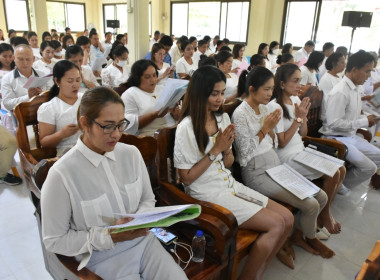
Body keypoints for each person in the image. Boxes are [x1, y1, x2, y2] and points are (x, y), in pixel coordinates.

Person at [40, 86, 187, 279]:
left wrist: (138, 220)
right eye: (108, 126)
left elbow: (147, 199)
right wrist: (109, 236)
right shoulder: (62, 174)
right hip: (101, 258)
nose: (117, 134)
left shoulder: (131, 154)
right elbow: (55, 240)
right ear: (85, 123)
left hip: (143, 243)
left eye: (121, 124)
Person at [174, 66, 293, 279]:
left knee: (288, 218)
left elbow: (228, 164)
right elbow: (187, 178)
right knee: (276, 224)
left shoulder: (222, 119)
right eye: (214, 94)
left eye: (222, 93)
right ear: (200, 93)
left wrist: (227, 150)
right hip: (205, 193)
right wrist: (216, 150)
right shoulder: (186, 128)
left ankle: (258, 270)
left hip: (228, 185)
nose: (220, 99)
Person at [233, 67, 336, 265]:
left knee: (321, 196)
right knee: (311, 204)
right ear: (252, 89)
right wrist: (265, 130)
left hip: (274, 164)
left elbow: (273, 142)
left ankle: (298, 234)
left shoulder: (264, 108)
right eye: (266, 89)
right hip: (256, 171)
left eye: (272, 89)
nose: (270, 94)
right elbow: (244, 155)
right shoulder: (240, 114)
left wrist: (270, 132)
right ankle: (310, 238)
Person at [268, 63, 345, 235]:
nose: (299, 85)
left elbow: (303, 134)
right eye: (295, 81)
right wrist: (297, 119)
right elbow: (281, 143)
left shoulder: (296, 100)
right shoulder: (275, 106)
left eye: (300, 81)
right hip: (286, 156)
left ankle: (325, 211)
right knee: (334, 173)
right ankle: (324, 214)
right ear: (282, 84)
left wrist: (303, 118)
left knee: (341, 169)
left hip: (300, 150)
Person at [319, 50, 380, 189]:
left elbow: (352, 116)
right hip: (335, 138)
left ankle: (339, 185)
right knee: (369, 168)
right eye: (367, 71)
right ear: (354, 69)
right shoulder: (341, 91)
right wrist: (364, 121)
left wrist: (369, 118)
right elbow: (334, 123)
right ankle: (338, 187)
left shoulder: (356, 88)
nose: (369, 76)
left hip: (349, 136)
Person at [121, 59, 179, 136]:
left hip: (172, 130)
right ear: (137, 78)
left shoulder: (162, 89)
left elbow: (174, 116)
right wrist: (155, 115)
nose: (153, 80)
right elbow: (129, 125)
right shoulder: (130, 94)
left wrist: (175, 114)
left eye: (154, 75)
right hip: (149, 137)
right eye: (147, 77)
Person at [37, 60, 82, 156]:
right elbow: (44, 143)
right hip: (68, 153)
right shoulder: (49, 108)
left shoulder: (86, 99)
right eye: (70, 81)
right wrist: (62, 133)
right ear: (57, 81)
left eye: (78, 80)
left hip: (90, 146)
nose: (75, 85)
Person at [1, 44, 49, 113]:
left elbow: (51, 96)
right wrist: (28, 97)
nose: (25, 63)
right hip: (21, 117)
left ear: (33, 59)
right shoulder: (7, 78)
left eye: (28, 59)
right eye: (20, 59)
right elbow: (7, 104)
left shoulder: (42, 75)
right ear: (13, 58)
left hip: (42, 113)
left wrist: (42, 95)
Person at [319, 52, 346, 122]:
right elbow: (326, 101)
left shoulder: (338, 76)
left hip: (339, 112)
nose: (344, 65)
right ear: (334, 63)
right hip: (331, 117)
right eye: (342, 63)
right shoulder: (327, 79)